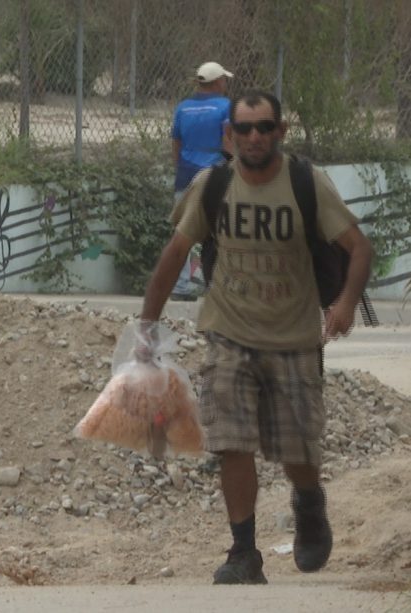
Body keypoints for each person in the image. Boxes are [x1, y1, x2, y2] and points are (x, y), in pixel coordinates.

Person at [140, 90, 372, 584]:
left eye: (263, 127)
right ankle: (244, 552)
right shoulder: (213, 185)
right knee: (230, 441)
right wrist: (147, 325)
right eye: (243, 129)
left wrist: (346, 303)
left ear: (280, 132)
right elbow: (175, 254)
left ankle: (309, 504)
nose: (253, 137)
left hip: (293, 339)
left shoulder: (308, 182)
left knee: (297, 452)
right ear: (229, 135)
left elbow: (359, 247)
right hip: (229, 333)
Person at [170, 61, 234, 301]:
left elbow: (175, 143)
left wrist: (180, 167)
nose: (225, 84)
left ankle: (180, 285)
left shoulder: (183, 108)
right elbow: (228, 140)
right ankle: (215, 284)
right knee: (219, 230)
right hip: (215, 175)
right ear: (218, 82)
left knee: (183, 231)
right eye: (224, 80)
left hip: (186, 174)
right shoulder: (225, 106)